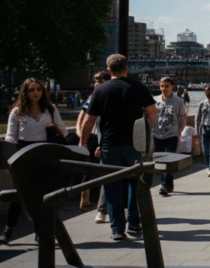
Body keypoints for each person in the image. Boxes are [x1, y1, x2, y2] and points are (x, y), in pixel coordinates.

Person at [78, 54, 158, 242]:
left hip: (110, 144)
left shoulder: (100, 90)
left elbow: (89, 120)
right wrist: (146, 130)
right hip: (135, 144)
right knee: (135, 182)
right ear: (127, 68)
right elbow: (152, 111)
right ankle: (135, 222)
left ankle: (117, 230)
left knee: (112, 186)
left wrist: (82, 142)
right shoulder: (138, 87)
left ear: (108, 70)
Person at [0, 77, 68, 245]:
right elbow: (10, 137)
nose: (36, 92)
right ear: (25, 92)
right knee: (19, 194)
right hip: (23, 153)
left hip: (44, 154)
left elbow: (64, 133)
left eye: (38, 89)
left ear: (43, 91)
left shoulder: (50, 110)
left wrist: (54, 127)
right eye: (32, 90)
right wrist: (10, 160)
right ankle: (8, 230)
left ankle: (40, 233)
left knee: (41, 195)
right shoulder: (17, 111)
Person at [77, 71, 110, 217]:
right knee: (90, 169)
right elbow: (82, 118)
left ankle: (95, 199)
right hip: (92, 138)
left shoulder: (104, 98)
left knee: (98, 169)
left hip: (101, 138)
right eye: (96, 82)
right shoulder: (92, 99)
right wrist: (81, 136)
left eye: (100, 82)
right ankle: (85, 200)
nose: (97, 84)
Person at [153, 77, 186, 196]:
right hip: (156, 134)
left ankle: (164, 185)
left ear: (172, 87)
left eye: (166, 86)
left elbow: (183, 117)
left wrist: (180, 130)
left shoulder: (178, 101)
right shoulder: (155, 100)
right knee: (159, 161)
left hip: (171, 135)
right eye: (162, 86)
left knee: (169, 159)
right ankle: (169, 182)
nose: (164, 89)